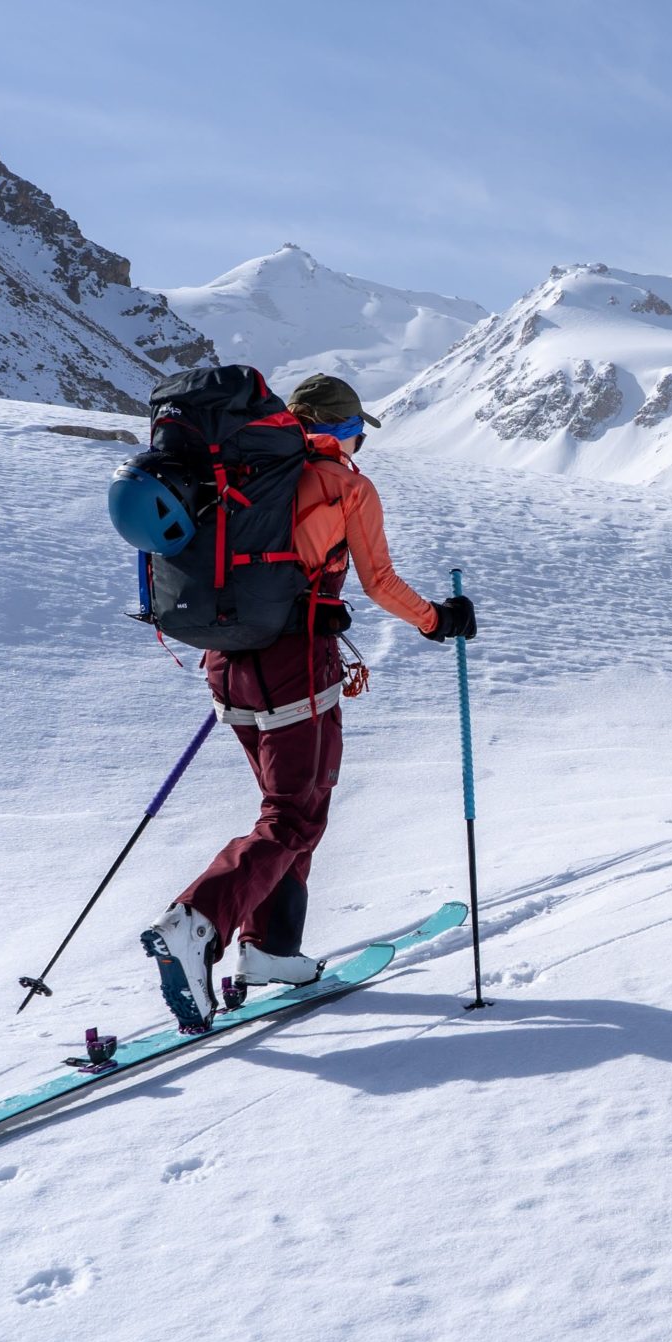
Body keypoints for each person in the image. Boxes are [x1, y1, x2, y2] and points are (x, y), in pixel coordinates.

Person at [140, 373, 475, 1029]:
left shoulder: (237, 473)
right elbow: (378, 581)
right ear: (343, 429)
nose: (357, 444)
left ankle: (271, 950)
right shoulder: (344, 484)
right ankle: (196, 921)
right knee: (294, 818)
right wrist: (438, 621)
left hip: (227, 667)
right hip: (294, 666)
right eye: (355, 431)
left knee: (292, 808)